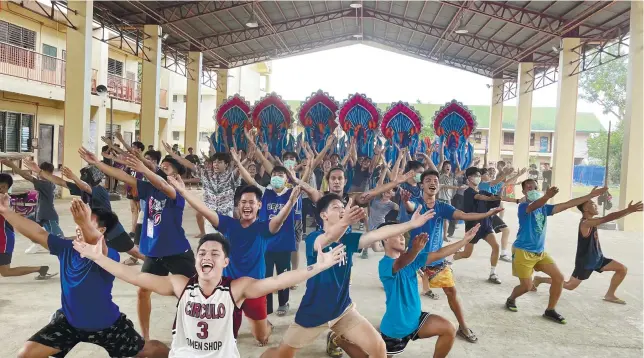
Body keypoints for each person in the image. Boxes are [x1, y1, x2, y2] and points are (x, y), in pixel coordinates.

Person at [73, 230, 347, 358]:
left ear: (225, 262)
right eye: (202, 253)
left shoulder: (237, 288)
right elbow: (134, 276)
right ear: (195, 261)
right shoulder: (181, 284)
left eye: (215, 253)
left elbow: (278, 281)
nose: (207, 256)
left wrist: (316, 267)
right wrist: (97, 257)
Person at [1, 197, 169, 357]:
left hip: (107, 324)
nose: (79, 227)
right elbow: (37, 233)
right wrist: (6, 211)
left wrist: (83, 222)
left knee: (153, 351)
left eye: (89, 222)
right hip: (69, 321)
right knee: (27, 354)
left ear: (102, 230)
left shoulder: (109, 254)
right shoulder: (66, 247)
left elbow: (96, 242)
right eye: (79, 223)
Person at [261, 194, 400, 358]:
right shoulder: (314, 238)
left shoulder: (348, 239)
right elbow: (328, 237)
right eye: (336, 207)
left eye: (343, 207)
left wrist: (413, 223)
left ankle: (337, 338)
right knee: (282, 355)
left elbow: (376, 236)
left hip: (342, 310)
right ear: (323, 215)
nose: (342, 210)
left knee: (378, 348)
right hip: (313, 312)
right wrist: (346, 221)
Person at [79, 147, 196, 340]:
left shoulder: (176, 192)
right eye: (162, 166)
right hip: (154, 252)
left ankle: (197, 332)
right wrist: (97, 163)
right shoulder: (148, 188)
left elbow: (162, 184)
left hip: (177, 252)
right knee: (143, 292)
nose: (162, 168)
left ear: (175, 174)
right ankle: (146, 338)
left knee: (191, 295)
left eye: (167, 168)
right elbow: (122, 176)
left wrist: (143, 168)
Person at [168, 176, 298, 346]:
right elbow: (205, 210)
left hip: (254, 290)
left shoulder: (263, 229)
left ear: (259, 205)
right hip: (228, 289)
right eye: (243, 202)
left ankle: (266, 326)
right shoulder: (228, 224)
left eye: (252, 202)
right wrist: (183, 191)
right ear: (238, 206)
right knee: (228, 337)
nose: (247, 205)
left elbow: (278, 221)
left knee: (261, 338)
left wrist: (290, 203)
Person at [401, 169, 503, 343]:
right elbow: (410, 207)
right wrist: (405, 202)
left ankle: (462, 327)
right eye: (428, 180)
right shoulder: (417, 203)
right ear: (421, 185)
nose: (432, 182)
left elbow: (463, 215)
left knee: (451, 291)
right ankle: (399, 325)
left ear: (439, 185)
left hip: (436, 258)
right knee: (404, 294)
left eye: (435, 180)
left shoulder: (442, 206)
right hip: (413, 259)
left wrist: (486, 215)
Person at [505, 181, 608, 324]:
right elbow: (533, 206)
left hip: (540, 252)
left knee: (558, 278)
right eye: (529, 188)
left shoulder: (545, 209)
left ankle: (550, 310)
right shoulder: (523, 206)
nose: (533, 189)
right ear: (523, 192)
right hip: (523, 251)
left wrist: (589, 195)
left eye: (535, 187)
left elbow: (567, 204)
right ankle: (511, 299)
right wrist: (547, 196)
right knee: (526, 287)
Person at [377, 222, 481, 357]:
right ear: (385, 238)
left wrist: (464, 240)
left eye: (403, 235)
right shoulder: (384, 265)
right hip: (394, 329)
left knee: (449, 328)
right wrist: (415, 250)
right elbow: (399, 263)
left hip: (415, 320)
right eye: (398, 235)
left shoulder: (413, 260)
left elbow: (440, 253)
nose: (403, 238)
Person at [21, 159, 146, 264]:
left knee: (134, 252)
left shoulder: (99, 190)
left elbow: (85, 186)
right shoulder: (83, 189)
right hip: (96, 229)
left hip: (113, 230)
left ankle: (156, 264)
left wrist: (74, 177)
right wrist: (39, 171)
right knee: (86, 250)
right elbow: (61, 182)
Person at [533, 199, 642, 304]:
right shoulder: (585, 223)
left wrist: (628, 212)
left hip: (598, 259)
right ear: (585, 208)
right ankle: (540, 279)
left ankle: (610, 294)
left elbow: (609, 218)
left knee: (622, 269)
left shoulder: (592, 221)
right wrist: (629, 210)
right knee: (569, 285)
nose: (596, 206)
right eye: (592, 204)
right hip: (585, 262)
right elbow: (608, 218)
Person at [233, 153, 302, 317]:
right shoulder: (265, 192)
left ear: (287, 179)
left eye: (280, 175)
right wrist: (238, 163)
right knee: (266, 277)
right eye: (274, 175)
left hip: (284, 243)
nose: (276, 178)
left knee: (284, 276)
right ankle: (268, 306)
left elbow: (302, 184)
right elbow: (250, 180)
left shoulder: (292, 194)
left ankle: (283, 303)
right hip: (265, 244)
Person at [163, 141, 239, 233]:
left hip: (226, 216)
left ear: (226, 164)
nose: (216, 164)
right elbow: (188, 164)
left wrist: (241, 161)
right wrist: (171, 153)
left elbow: (240, 170)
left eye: (219, 162)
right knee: (211, 243)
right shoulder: (206, 174)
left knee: (227, 245)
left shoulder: (231, 177)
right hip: (210, 215)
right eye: (214, 162)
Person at [453, 167, 507, 284]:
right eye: (475, 175)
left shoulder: (483, 191)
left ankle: (493, 273)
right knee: (467, 254)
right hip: (473, 227)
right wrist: (490, 198)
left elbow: (496, 197)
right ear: (469, 178)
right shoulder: (468, 192)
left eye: (478, 175)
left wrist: (516, 200)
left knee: (496, 246)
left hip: (486, 225)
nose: (478, 177)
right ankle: (451, 259)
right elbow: (479, 197)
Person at [0, 173, 56, 280]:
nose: (1, 189)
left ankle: (40, 269)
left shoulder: (5, 200)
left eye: (4, 187)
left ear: (8, 188)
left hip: (3, 240)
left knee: (5, 271)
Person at [1, 159, 64, 254]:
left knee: (59, 239)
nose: (40, 175)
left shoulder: (46, 184)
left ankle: (71, 248)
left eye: (43, 173)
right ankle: (38, 242)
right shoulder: (46, 182)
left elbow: (27, 176)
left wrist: (13, 166)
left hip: (48, 216)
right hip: (38, 213)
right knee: (24, 224)